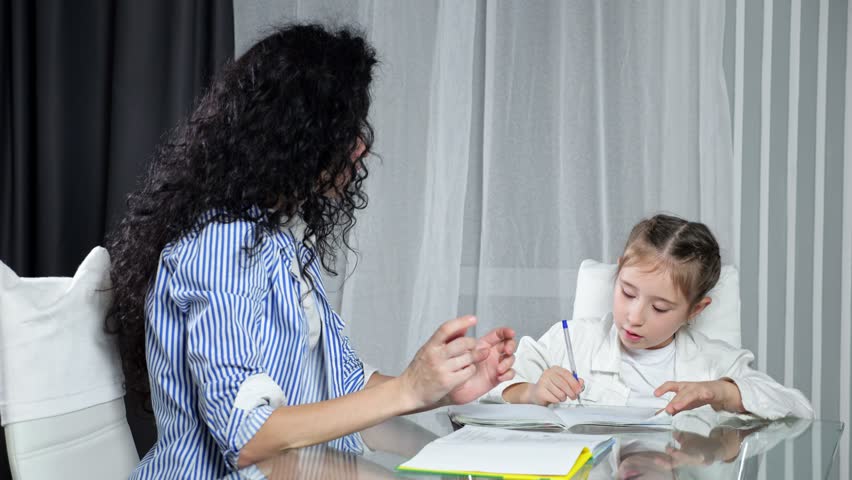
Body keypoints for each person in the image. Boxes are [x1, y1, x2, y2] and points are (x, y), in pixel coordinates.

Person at [106, 24, 516, 479]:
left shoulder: (282, 243)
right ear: (297, 136)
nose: (361, 146)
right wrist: (407, 389)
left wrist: (440, 388)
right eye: (346, 129)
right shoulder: (221, 246)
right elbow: (246, 436)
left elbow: (347, 386)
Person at [483, 214, 813, 421]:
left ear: (695, 310)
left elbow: (798, 408)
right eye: (627, 293)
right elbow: (490, 387)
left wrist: (722, 392)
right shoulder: (573, 340)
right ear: (618, 273)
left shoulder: (713, 361)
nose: (634, 316)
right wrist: (530, 392)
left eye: (659, 308)